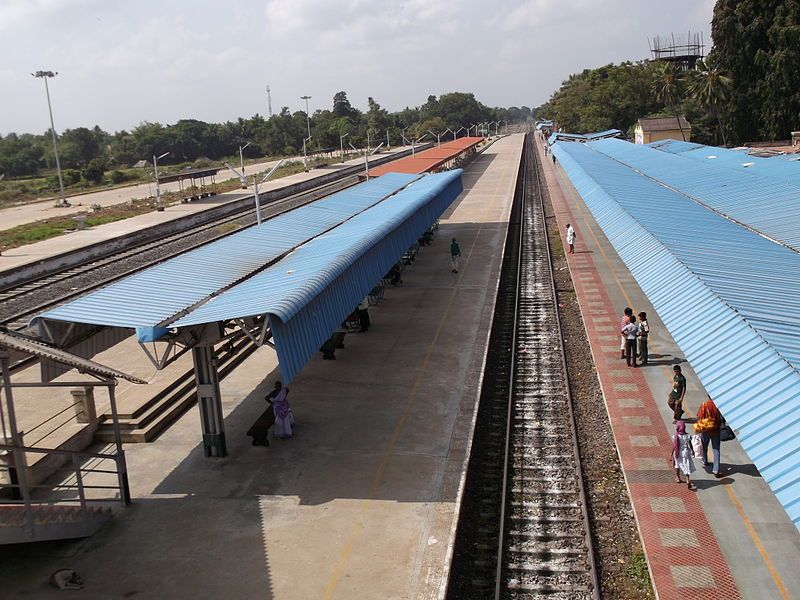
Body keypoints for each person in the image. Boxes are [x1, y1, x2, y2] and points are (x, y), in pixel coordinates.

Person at [696, 395, 723, 478]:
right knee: (716, 450)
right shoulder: (719, 406)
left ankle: (705, 460)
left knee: (704, 446)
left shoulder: (704, 405)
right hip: (715, 430)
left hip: (705, 430)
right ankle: (716, 469)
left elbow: (699, 416)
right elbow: (721, 419)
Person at [672, 420, 696, 490]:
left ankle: (677, 477)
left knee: (677, 464)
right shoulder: (687, 435)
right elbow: (690, 444)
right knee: (686, 465)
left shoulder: (676, 435)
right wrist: (693, 451)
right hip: (686, 452)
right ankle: (687, 479)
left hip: (678, 452)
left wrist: (671, 452)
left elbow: (674, 445)